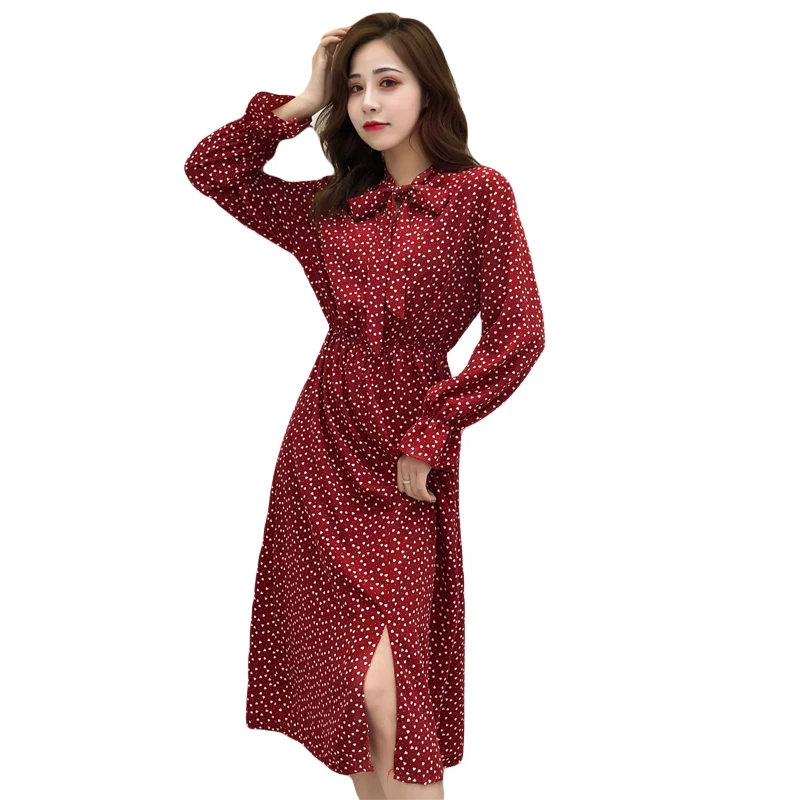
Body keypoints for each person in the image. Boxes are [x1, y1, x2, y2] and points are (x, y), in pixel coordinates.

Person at [184, 12, 545, 800]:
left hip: (407, 453)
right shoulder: (331, 206)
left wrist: (436, 426)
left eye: (388, 82)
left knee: (388, 685)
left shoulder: (479, 196)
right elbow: (210, 170)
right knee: (351, 687)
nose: (369, 102)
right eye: (354, 88)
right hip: (324, 448)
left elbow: (520, 331)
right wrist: (302, 99)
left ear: (429, 92)